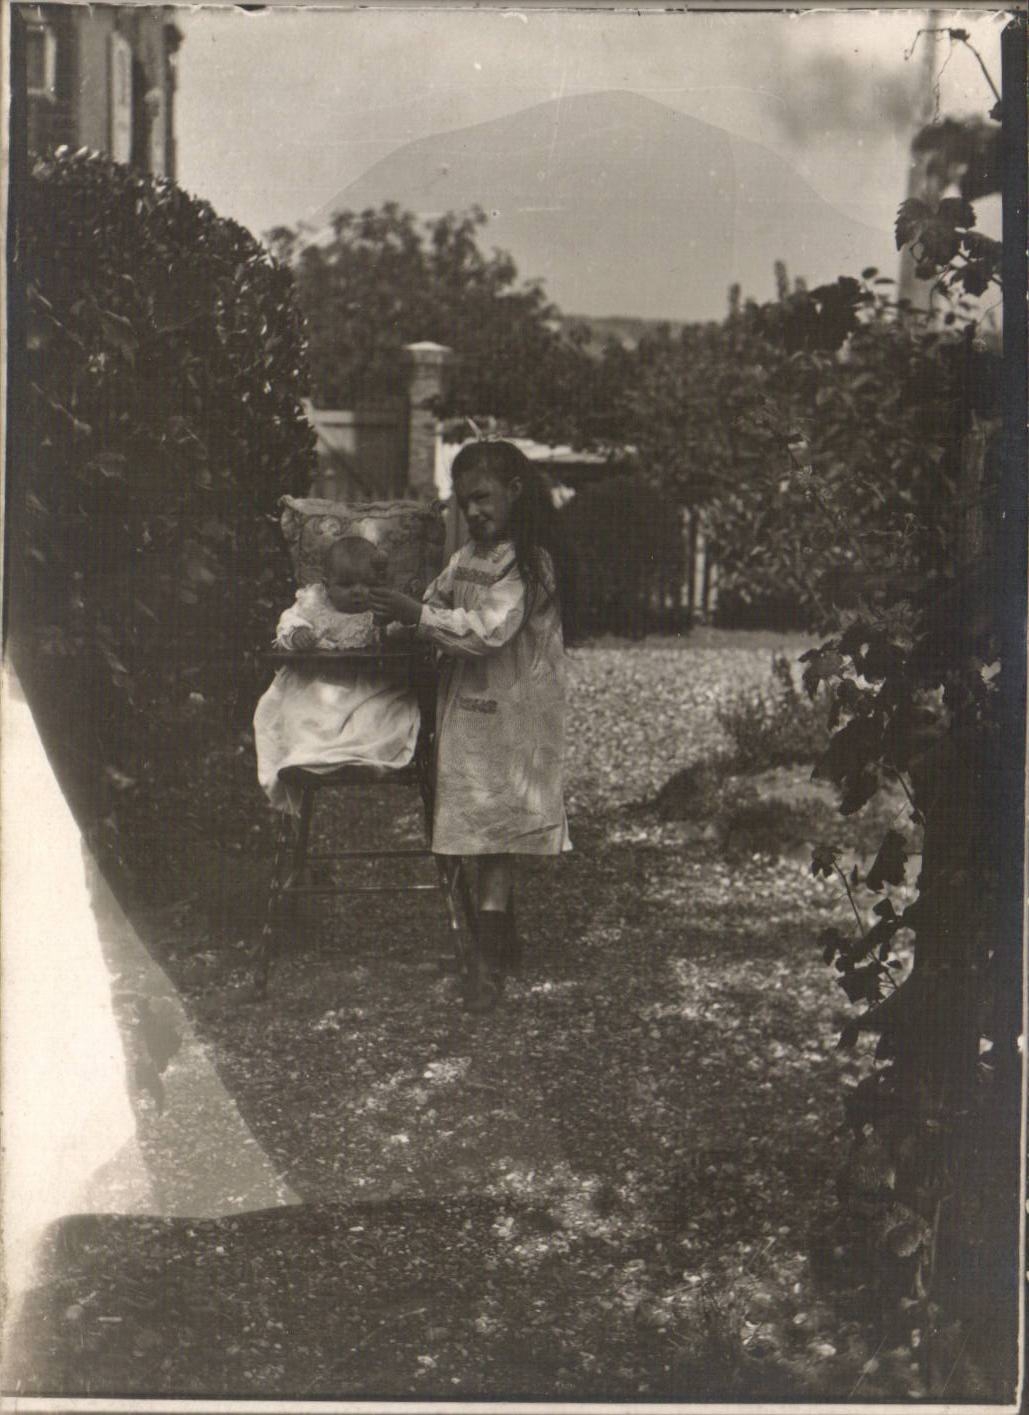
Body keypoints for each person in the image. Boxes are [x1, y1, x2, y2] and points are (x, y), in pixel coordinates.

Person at [368, 439, 576, 1012]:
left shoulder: (530, 563)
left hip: (513, 712)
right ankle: (499, 941)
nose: (474, 512)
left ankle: (486, 967)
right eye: (464, 504)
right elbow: (438, 602)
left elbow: (488, 630)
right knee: (469, 824)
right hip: (468, 710)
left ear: (514, 491)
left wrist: (420, 617)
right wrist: (403, 619)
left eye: (483, 498)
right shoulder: (466, 559)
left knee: (494, 833)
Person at [253, 537, 420, 813]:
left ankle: (355, 757)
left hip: (367, 684)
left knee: (378, 716)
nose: (358, 592)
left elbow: (396, 633)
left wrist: (397, 630)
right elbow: (288, 621)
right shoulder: (313, 603)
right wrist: (298, 634)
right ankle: (307, 757)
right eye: (346, 584)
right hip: (318, 682)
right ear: (326, 583)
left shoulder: (378, 607)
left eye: (366, 584)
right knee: (302, 715)